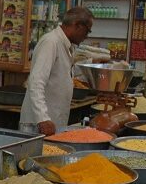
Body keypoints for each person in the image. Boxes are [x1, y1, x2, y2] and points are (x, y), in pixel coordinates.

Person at [20, 7, 94, 136]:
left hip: (53, 121)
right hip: (38, 124)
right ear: (77, 25)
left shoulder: (66, 45)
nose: (86, 36)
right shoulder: (51, 42)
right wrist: (43, 119)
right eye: (87, 31)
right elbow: (36, 82)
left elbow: (62, 72)